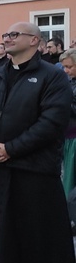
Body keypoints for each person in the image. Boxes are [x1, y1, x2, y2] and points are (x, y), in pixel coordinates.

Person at [0, 22, 76, 263]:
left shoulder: (52, 76)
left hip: (35, 167)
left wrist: (11, 148)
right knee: (8, 226)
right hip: (3, 167)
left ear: (34, 41)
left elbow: (51, 122)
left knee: (42, 230)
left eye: (13, 34)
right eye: (5, 35)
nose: (6, 38)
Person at [59, 48, 76, 196]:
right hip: (67, 135)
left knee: (71, 178)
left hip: (74, 136)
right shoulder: (70, 82)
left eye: (69, 67)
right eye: (64, 67)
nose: (66, 71)